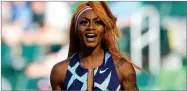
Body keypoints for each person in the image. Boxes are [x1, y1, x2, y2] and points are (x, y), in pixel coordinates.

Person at [50, 1, 142, 90]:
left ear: (105, 29)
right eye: (83, 22)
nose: (90, 27)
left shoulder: (122, 68)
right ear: (75, 29)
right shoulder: (60, 71)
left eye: (98, 22)